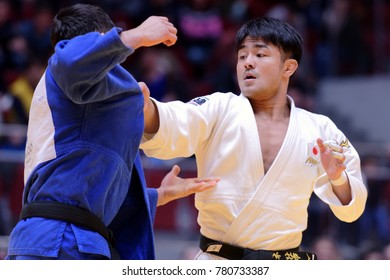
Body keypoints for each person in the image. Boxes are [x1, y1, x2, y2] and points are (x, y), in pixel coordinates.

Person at [140, 16, 368, 260]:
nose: (248, 63)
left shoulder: (320, 129)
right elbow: (173, 120)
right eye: (241, 56)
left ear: (288, 67)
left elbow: (351, 208)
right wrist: (144, 108)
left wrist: (337, 178)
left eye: (260, 55)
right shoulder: (219, 107)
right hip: (218, 262)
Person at [6, 3, 219, 260]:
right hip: (60, 239)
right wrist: (134, 35)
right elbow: (73, 61)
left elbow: (91, 188)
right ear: (100, 39)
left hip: (66, 238)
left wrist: (160, 195)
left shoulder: (79, 111)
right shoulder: (66, 68)